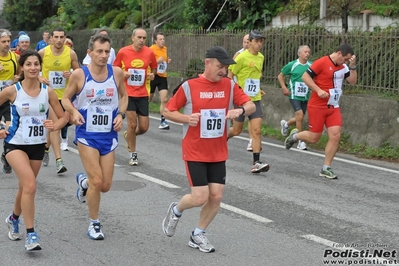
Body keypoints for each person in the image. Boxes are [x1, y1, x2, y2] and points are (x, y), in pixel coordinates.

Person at [162, 46, 255, 253]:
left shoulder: (230, 86)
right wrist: (187, 118)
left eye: (225, 67)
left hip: (217, 151)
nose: (223, 71)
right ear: (207, 63)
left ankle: (198, 234)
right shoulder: (189, 86)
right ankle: (176, 210)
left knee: (216, 196)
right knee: (199, 197)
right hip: (194, 150)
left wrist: (239, 110)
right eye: (220, 66)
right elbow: (168, 111)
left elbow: (251, 105)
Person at [62, 34, 127, 240]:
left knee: (105, 186)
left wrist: (120, 114)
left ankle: (84, 183)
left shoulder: (116, 73)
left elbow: (124, 96)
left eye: (107, 51)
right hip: (87, 134)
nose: (103, 55)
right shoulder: (80, 75)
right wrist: (73, 112)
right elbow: (65, 99)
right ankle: (94, 223)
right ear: (90, 53)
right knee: (97, 181)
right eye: (99, 51)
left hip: (108, 135)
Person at [2, 50, 68, 251]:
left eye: (36, 64)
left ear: (40, 66)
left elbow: (63, 117)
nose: (32, 68)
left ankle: (13, 218)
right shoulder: (13, 90)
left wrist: (54, 126)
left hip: (37, 146)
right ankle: (31, 234)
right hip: (15, 144)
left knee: (25, 188)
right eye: (28, 64)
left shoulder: (47, 92)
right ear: (22, 67)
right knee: (30, 185)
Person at [284, 44, 357, 179]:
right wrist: (318, 90)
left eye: (348, 60)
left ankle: (326, 167)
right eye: (345, 59)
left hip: (333, 106)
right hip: (317, 105)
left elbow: (352, 81)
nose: (345, 62)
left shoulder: (344, 66)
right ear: (339, 53)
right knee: (314, 138)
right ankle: (295, 137)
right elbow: (306, 77)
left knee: (335, 136)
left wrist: (352, 66)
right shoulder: (322, 62)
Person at [38, 27, 80, 173]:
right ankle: (59, 161)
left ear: (65, 38)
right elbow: (29, 67)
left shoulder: (71, 53)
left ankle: (45, 148)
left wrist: (72, 73)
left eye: (62, 37)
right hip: (48, 96)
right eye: (56, 37)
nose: (59, 40)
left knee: (60, 124)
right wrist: (39, 77)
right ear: (51, 38)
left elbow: (79, 73)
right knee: (56, 125)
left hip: (65, 97)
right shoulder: (43, 53)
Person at [227, 30, 269, 174]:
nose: (259, 44)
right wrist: (233, 94)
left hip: (255, 99)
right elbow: (230, 75)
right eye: (256, 41)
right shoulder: (241, 57)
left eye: (261, 41)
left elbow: (255, 76)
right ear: (249, 42)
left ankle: (256, 162)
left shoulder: (261, 57)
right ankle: (219, 140)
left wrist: (259, 89)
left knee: (256, 130)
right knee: (237, 130)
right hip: (241, 99)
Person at [113, 28, 157, 166]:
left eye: (144, 38)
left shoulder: (149, 52)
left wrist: (152, 75)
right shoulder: (123, 52)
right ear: (132, 38)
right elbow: (115, 68)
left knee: (144, 127)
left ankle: (129, 135)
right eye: (139, 37)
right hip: (128, 94)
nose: (141, 40)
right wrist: (123, 73)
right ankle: (133, 155)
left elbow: (154, 68)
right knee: (132, 124)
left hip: (142, 93)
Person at [277, 45, 312, 150]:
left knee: (300, 117)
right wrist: (284, 87)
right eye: (305, 52)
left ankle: (286, 124)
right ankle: (300, 141)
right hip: (294, 94)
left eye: (308, 52)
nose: (307, 54)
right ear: (299, 53)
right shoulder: (292, 65)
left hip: (305, 95)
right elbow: (280, 75)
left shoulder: (311, 66)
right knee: (299, 115)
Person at [0, 29, 21, 174]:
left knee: (10, 130)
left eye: (8, 41)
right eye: (3, 42)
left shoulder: (15, 57)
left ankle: (6, 155)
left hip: (8, 100)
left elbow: (20, 72)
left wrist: (18, 77)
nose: (7, 44)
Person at [149, 32, 172, 130]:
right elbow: (148, 63)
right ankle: (139, 113)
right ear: (155, 41)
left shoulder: (165, 49)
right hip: (153, 76)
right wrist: (158, 61)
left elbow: (164, 60)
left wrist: (167, 61)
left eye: (163, 39)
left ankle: (163, 121)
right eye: (160, 39)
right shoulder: (151, 50)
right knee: (148, 99)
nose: (163, 41)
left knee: (164, 99)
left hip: (162, 76)